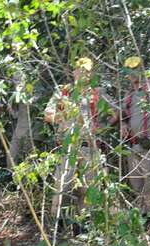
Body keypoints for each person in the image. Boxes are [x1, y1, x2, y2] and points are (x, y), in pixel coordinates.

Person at [44, 57, 111, 229]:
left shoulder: (98, 92)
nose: (82, 74)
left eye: (86, 71)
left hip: (90, 148)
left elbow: (115, 114)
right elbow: (48, 114)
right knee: (62, 186)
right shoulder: (63, 92)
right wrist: (65, 117)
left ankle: (83, 226)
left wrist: (101, 127)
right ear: (73, 71)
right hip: (68, 148)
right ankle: (56, 226)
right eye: (79, 70)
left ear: (91, 73)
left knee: (87, 190)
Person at [111, 56, 150, 215]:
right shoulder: (129, 93)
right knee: (137, 187)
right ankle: (144, 225)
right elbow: (123, 114)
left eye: (137, 68)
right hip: (134, 146)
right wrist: (123, 123)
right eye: (130, 70)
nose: (133, 73)